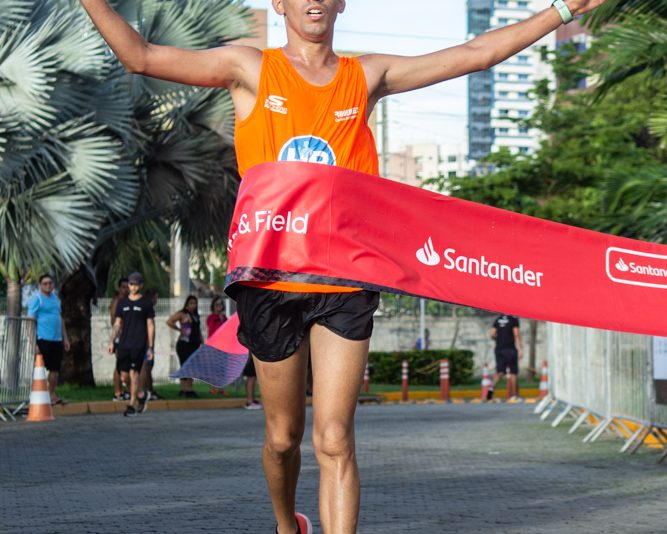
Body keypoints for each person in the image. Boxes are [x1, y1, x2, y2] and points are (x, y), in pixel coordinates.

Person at [80, 0, 608, 531]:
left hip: (345, 280)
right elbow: (140, 56)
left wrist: (563, 10)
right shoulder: (250, 69)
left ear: (340, 4)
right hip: (269, 279)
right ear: (279, 5)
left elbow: (475, 53)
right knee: (283, 438)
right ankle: (288, 524)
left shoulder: (366, 75)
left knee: (334, 437)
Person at [108, 272, 154, 417]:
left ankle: (132, 404)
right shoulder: (122, 303)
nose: (133, 287)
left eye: (136, 284)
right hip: (123, 343)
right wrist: (111, 341)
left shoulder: (146, 303)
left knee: (134, 373)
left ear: (141, 285)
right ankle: (140, 394)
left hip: (139, 344)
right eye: (131, 284)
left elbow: (150, 324)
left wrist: (150, 347)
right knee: (124, 376)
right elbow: (117, 323)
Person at [27, 274, 70, 406]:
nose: (48, 286)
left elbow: (60, 318)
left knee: (55, 369)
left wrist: (65, 338)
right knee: (40, 369)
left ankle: (52, 394)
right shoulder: (37, 299)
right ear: (40, 285)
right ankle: (39, 396)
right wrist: (32, 342)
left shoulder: (56, 299)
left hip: (56, 339)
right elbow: (30, 321)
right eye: (45, 284)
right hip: (43, 339)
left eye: (50, 283)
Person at [167, 295, 204, 398]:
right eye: (191, 303)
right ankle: (182, 389)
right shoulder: (183, 314)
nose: (193, 305)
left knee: (192, 366)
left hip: (195, 344)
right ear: (187, 304)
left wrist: (202, 342)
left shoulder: (196, 316)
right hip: (184, 344)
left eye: (195, 303)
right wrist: (179, 330)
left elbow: (198, 330)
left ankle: (190, 389)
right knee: (185, 365)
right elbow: (169, 321)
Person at [488, 314, 524, 401]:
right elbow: (516, 334)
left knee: (500, 372)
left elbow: (492, 334)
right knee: (513, 373)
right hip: (510, 349)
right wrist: (520, 348)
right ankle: (514, 395)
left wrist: (499, 339)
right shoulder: (513, 319)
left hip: (499, 349)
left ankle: (490, 389)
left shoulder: (498, 319)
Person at [109, 277, 130, 401]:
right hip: (120, 337)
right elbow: (114, 320)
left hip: (130, 337)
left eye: (128, 287)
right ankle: (117, 392)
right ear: (119, 288)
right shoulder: (117, 301)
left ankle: (127, 390)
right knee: (119, 365)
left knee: (128, 365)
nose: (126, 290)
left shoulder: (129, 301)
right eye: (123, 287)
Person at [142, 288, 160, 400]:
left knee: (148, 367)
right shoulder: (148, 308)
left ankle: (149, 390)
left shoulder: (146, 307)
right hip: (146, 343)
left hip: (147, 343)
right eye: (156, 297)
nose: (157, 300)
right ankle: (147, 391)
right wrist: (150, 345)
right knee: (146, 367)